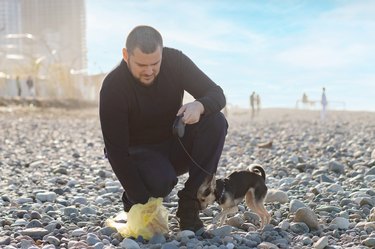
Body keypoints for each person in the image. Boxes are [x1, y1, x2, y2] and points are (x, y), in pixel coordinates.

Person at [99, 25, 228, 233]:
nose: (149, 71)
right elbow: (117, 153)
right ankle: (131, 198)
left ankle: (189, 205)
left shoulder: (175, 61)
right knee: (161, 183)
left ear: (162, 53)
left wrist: (199, 105)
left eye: (155, 63)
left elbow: (217, 94)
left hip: (174, 144)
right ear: (126, 55)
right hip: (138, 154)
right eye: (141, 64)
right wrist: (142, 204)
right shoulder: (113, 87)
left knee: (216, 121)